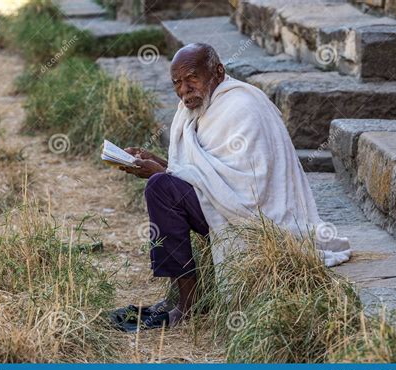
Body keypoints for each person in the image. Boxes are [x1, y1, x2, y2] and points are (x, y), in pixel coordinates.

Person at [116, 42, 351, 330]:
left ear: (218, 71)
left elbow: (246, 185)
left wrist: (162, 174)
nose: (184, 90)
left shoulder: (243, 107)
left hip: (255, 216)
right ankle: (181, 294)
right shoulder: (194, 107)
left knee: (160, 188)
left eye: (192, 78)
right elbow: (206, 172)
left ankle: (187, 305)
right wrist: (157, 163)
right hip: (222, 202)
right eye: (177, 83)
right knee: (161, 185)